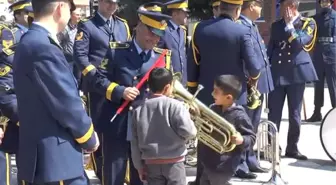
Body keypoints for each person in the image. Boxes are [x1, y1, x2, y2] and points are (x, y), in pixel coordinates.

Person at [13, 0, 100, 184]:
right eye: (71, 8)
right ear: (61, 8)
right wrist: (89, 135)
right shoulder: (42, 46)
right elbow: (66, 103)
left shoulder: (33, 41)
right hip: (56, 164)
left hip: (52, 162)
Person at [85, 5, 173, 185]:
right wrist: (120, 91)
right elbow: (98, 80)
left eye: (159, 35)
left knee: (141, 177)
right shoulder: (116, 51)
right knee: (113, 175)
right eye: (152, 33)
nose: (155, 39)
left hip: (146, 127)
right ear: (139, 27)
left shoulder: (162, 57)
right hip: (117, 123)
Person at [187, 0, 261, 183]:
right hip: (233, 96)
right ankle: (227, 176)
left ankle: (201, 179)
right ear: (237, 10)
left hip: (206, 95)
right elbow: (255, 69)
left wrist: (192, 92)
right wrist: (252, 84)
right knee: (233, 139)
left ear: (219, 8)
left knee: (205, 139)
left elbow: (193, 64)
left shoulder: (199, 28)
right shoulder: (242, 31)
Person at [73, 0, 130, 179]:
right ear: (99, 2)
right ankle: (100, 170)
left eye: (115, 3)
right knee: (99, 130)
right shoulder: (88, 25)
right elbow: (80, 56)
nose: (112, 6)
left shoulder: (122, 25)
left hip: (119, 86)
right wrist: (94, 76)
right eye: (108, 2)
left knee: (118, 131)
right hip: (97, 88)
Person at [267, 0, 318, 160]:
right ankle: (273, 147)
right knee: (273, 113)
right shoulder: (276, 25)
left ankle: (292, 147)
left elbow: (298, 43)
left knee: (294, 114)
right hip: (277, 72)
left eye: (282, 5)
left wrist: (290, 26)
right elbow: (272, 48)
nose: (280, 8)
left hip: (296, 73)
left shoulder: (307, 23)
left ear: (292, 6)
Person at [131, 67, 197, 185]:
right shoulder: (177, 106)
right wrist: (189, 118)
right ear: (167, 87)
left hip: (151, 164)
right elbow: (189, 132)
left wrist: (139, 167)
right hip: (175, 163)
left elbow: (134, 143)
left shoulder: (138, 110)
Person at [236, 0, 273, 176]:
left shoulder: (251, 25)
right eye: (259, 4)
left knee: (254, 124)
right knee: (246, 125)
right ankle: (241, 163)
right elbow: (245, 57)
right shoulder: (241, 25)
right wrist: (250, 80)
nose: (261, 8)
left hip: (258, 83)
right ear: (251, 6)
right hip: (249, 83)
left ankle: (250, 158)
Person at [199, 74, 256, 185]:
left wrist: (242, 140)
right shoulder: (213, 108)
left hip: (224, 164)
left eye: (216, 91)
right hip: (208, 160)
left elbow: (252, 137)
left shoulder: (239, 115)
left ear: (228, 97)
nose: (212, 94)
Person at [306, 0, 336, 122]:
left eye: (326, 1)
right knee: (317, 84)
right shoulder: (314, 19)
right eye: (322, 2)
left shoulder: (335, 16)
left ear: (330, 2)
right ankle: (317, 112)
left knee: (332, 85)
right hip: (318, 53)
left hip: (332, 53)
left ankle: (335, 112)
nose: (324, 3)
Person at [158, 0, 189, 85]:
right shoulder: (163, 30)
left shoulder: (182, 31)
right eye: (184, 12)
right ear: (175, 14)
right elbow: (157, 57)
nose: (187, 15)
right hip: (168, 81)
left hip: (182, 81)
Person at [57, 8, 81, 82]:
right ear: (71, 15)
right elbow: (58, 42)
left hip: (79, 60)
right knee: (69, 80)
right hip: (68, 60)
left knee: (78, 80)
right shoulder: (64, 28)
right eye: (77, 15)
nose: (79, 16)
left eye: (80, 15)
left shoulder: (81, 27)